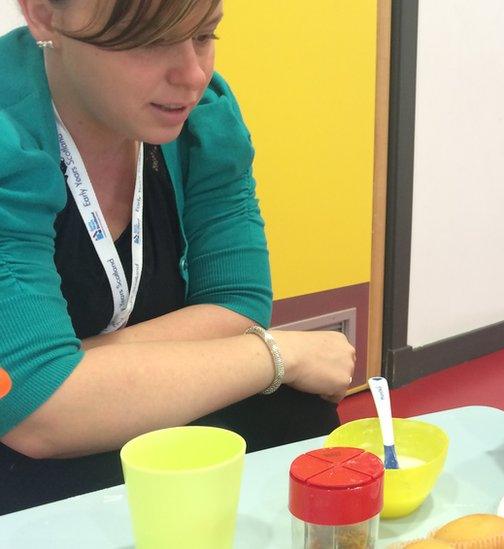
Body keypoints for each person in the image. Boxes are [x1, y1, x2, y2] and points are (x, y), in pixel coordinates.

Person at [0, 0, 356, 513]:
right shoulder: (11, 132)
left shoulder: (204, 119)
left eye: (205, 35)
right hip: (16, 448)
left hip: (85, 412)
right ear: (44, 15)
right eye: (149, 40)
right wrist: (276, 353)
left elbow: (238, 302)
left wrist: (71, 375)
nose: (191, 75)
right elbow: (35, 418)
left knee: (295, 419)